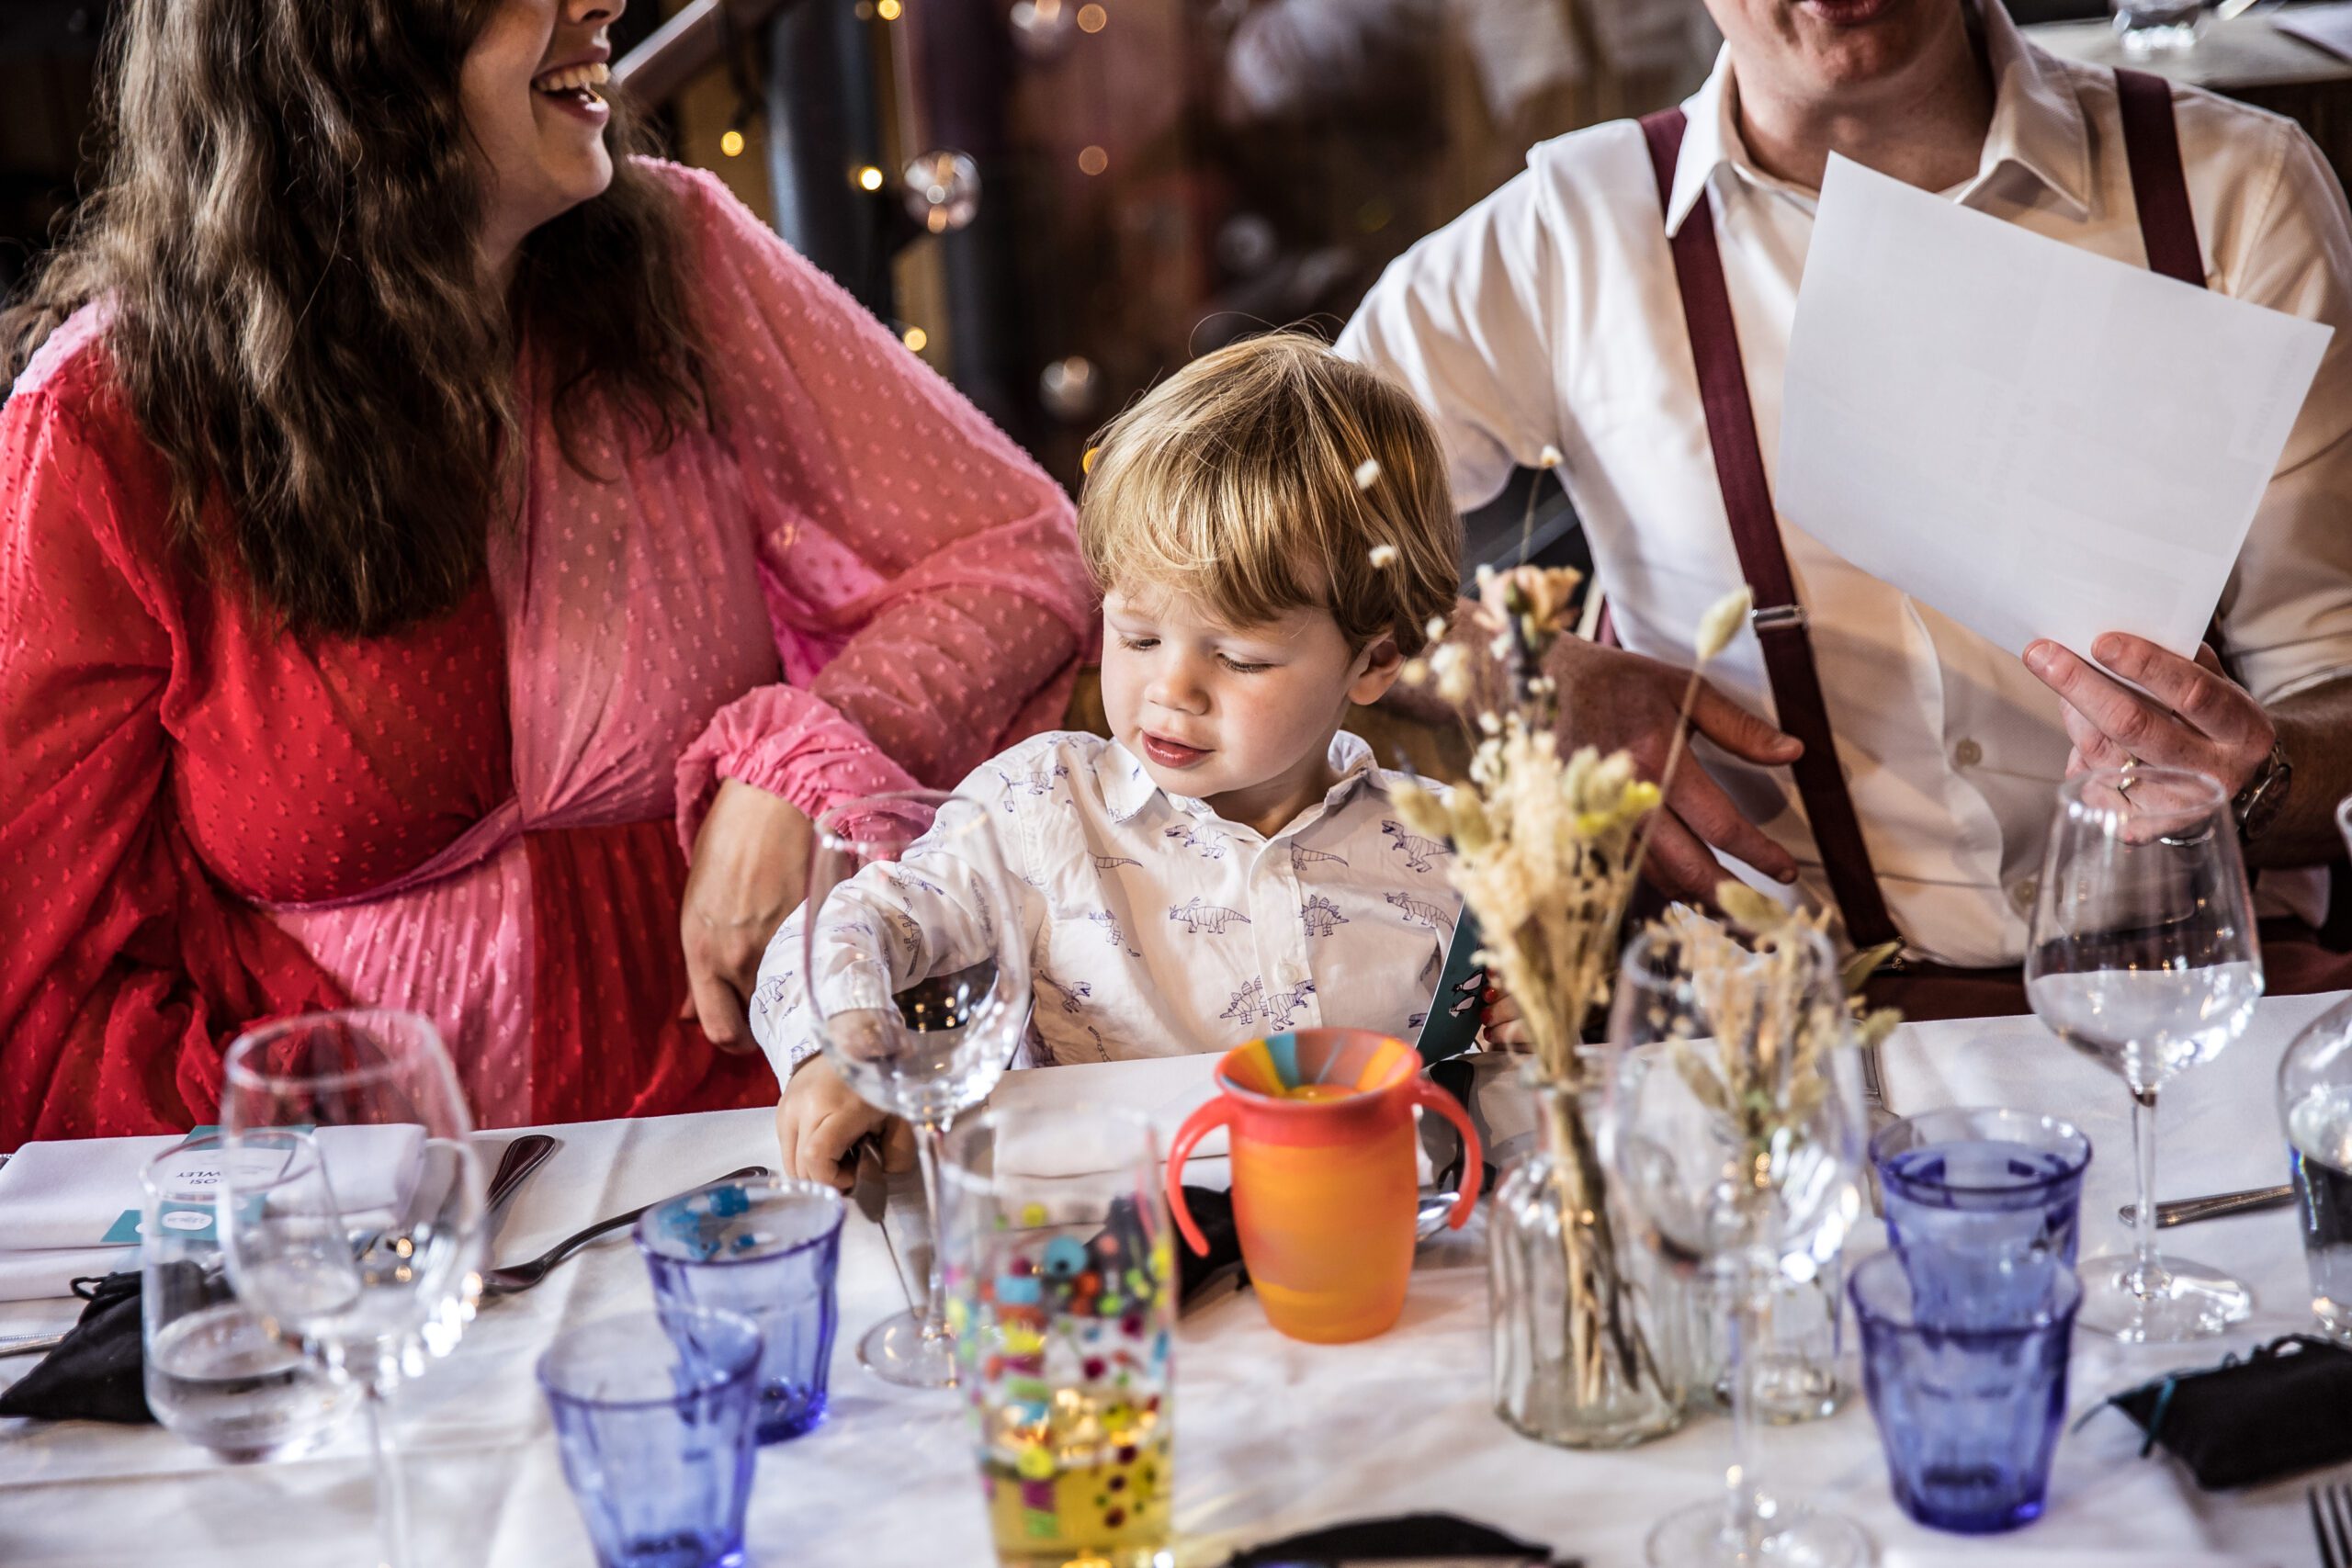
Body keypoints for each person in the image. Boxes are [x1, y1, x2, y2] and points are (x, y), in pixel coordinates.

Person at [0, 0, 1093, 1145]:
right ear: (351, 41)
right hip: (346, 1214)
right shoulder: (104, 426)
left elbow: (1017, 553)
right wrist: (296, 1199)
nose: (604, 3)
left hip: (747, 1147)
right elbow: (42, 980)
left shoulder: (679, 255)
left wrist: (795, 763)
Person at [1341, 0, 2352, 1013]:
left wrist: (2261, 777)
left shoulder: (2233, 192)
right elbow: (1257, 527)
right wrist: (1513, 671)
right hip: (1760, 1029)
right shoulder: (1571, 231)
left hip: (2202, 999)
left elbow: (2335, 683)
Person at [755, 333, 1472, 1188]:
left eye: (1238, 658)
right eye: (1136, 635)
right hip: (1101, 1258)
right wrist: (843, 1045)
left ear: (1376, 661)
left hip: (1353, 1248)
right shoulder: (1042, 808)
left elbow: (1499, 1075)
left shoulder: (1447, 849)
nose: (1171, 689)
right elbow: (848, 923)